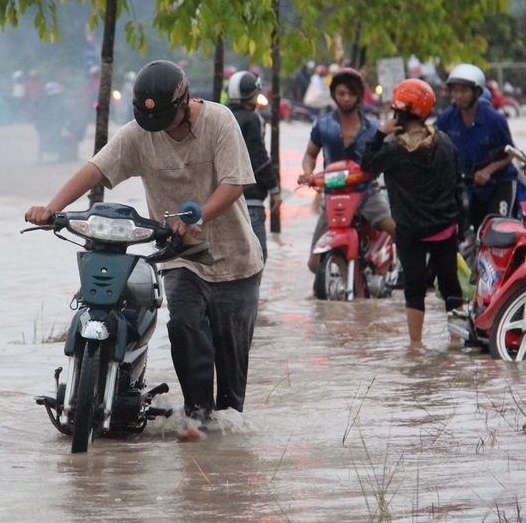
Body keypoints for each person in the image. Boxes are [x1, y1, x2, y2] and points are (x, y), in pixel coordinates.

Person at [25, 60, 263, 440]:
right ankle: (197, 419)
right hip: (182, 253)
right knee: (185, 325)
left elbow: (235, 183)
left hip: (236, 260)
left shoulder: (219, 122)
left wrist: (200, 213)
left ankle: (227, 434)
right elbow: (96, 169)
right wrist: (52, 208)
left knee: (230, 366)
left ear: (185, 103)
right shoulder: (139, 134)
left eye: (169, 121)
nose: (162, 131)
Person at [361, 79, 464, 344]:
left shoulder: (393, 149)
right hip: (444, 228)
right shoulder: (446, 143)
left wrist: (379, 134)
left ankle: (416, 346)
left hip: (410, 231)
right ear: (427, 111)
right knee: (452, 286)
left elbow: (367, 164)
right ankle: (456, 343)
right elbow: (457, 186)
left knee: (414, 290)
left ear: (397, 112)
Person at [297, 68, 395, 274]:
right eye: (341, 94)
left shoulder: (374, 128)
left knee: (396, 230)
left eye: (351, 94)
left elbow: (388, 157)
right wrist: (308, 173)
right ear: (333, 94)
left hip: (366, 192)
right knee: (314, 264)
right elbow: (309, 155)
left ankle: (402, 271)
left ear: (359, 96)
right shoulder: (322, 125)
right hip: (333, 195)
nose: (346, 99)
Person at [434, 63, 519, 235]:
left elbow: (510, 152)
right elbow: (432, 144)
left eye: (464, 91)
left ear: (477, 92)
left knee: (497, 232)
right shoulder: (446, 119)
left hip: (498, 184)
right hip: (465, 185)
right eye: (455, 91)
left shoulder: (495, 120)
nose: (459, 96)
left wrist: (488, 171)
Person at [225, 70, 281, 261]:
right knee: (256, 258)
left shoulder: (222, 116)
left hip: (222, 202)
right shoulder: (253, 119)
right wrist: (274, 189)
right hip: (251, 201)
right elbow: (258, 158)